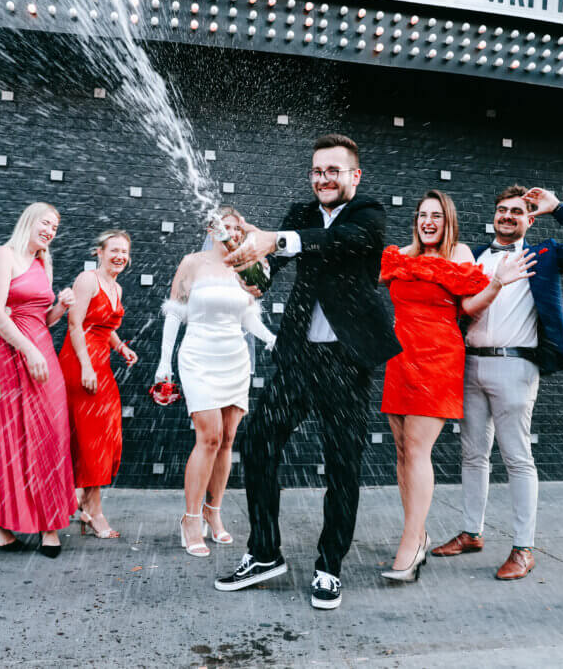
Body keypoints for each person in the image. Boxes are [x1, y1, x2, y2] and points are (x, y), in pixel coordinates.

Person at [214, 134, 401, 610]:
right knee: (258, 441)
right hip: (299, 357)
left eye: (333, 171)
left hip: (346, 360)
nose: (323, 179)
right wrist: (245, 260)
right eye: (317, 171)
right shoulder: (299, 213)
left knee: (342, 464)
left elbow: (336, 243)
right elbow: (267, 272)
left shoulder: (369, 215)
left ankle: (328, 566)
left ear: (354, 176)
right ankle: (264, 552)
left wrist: (275, 240)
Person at [431, 185, 563, 581]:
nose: (507, 216)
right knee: (472, 455)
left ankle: (523, 548)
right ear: (493, 215)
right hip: (470, 364)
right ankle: (471, 532)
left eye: (517, 211)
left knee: (516, 457)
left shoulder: (542, 254)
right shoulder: (472, 255)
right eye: (502, 210)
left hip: (516, 367)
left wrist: (558, 208)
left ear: (529, 219)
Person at [378, 190, 536, 581]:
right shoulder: (400, 255)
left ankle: (411, 543)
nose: (428, 221)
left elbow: (467, 306)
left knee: (417, 449)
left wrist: (497, 284)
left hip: (437, 361)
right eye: (422, 215)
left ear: (448, 221)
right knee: (401, 450)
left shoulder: (460, 255)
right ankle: (418, 532)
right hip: (400, 360)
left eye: (437, 215)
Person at [154, 207, 277, 557]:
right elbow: (175, 311)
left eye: (239, 229)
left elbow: (248, 317)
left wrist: (271, 339)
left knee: (227, 440)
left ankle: (214, 512)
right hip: (198, 357)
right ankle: (191, 519)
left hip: (235, 359)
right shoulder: (192, 262)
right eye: (227, 227)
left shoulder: (245, 266)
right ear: (212, 228)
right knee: (208, 437)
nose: (233, 234)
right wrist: (164, 363)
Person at [0, 202, 77, 558]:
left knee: (51, 433)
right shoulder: (3, 256)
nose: (51, 231)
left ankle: (49, 522)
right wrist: (29, 351)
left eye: (55, 227)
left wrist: (62, 306)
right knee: (10, 437)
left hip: (40, 350)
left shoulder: (42, 262)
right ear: (29, 221)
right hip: (8, 353)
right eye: (46, 223)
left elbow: (42, 319)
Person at [59, 230, 138, 539]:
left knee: (105, 435)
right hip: (80, 363)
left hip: (100, 362)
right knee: (93, 438)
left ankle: (82, 499)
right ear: (100, 252)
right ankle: (93, 510)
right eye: (114, 249)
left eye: (124, 251)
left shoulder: (115, 286)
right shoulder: (87, 279)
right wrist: (86, 366)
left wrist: (121, 348)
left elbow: (105, 326)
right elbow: (75, 323)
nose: (120, 255)